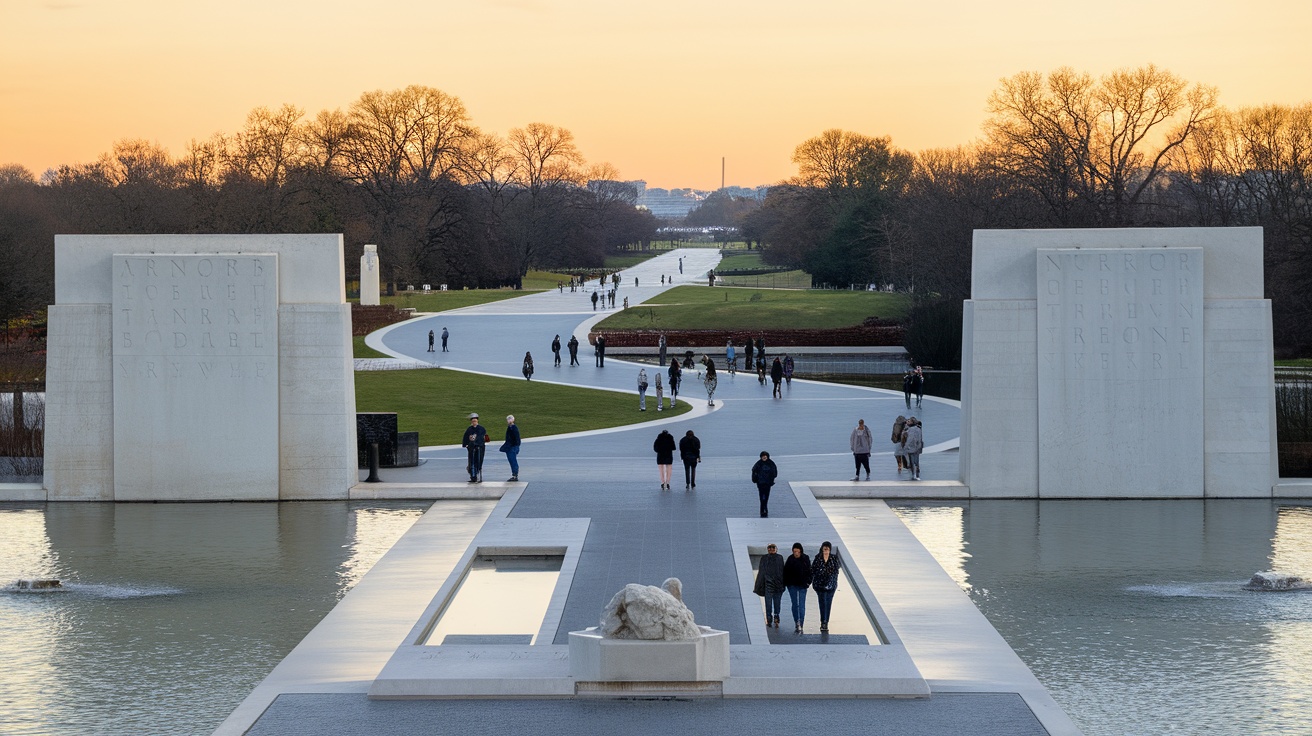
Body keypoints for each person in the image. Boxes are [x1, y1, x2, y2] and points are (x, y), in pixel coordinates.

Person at [753, 543, 785, 629]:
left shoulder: (779, 558)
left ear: (776, 549)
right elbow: (761, 572)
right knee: (769, 603)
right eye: (769, 548)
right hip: (769, 584)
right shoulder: (765, 558)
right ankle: (770, 619)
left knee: (776, 603)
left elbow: (782, 571)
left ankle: (775, 617)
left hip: (777, 584)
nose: (771, 549)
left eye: (772, 548)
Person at [811, 541, 840, 633]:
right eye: (824, 548)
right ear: (822, 549)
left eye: (827, 548)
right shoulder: (818, 558)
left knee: (828, 603)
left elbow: (836, 571)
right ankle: (823, 622)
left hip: (831, 586)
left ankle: (826, 622)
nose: (826, 550)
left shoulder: (834, 558)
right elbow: (814, 570)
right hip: (820, 586)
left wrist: (830, 577)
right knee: (822, 603)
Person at [783, 543, 812, 633]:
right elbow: (785, 572)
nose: (796, 553)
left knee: (802, 604)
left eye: (797, 551)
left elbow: (810, 571)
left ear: (800, 551)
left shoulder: (805, 559)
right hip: (792, 585)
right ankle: (797, 621)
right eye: (794, 551)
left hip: (803, 585)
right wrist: (787, 583)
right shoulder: (790, 559)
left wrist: (808, 582)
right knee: (795, 604)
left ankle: (801, 622)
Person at [461, 413, 488, 483]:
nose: (474, 423)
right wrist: (466, 444)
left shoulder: (481, 429)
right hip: (472, 448)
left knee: (478, 461)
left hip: (479, 448)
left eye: (475, 421)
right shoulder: (469, 429)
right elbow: (466, 437)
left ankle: (477, 474)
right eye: (473, 421)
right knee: (471, 462)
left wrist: (478, 444)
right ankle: (473, 476)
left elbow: (483, 438)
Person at [751, 451, 778, 518]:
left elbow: (774, 473)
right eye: (763, 456)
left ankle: (764, 508)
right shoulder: (758, 464)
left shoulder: (771, 463)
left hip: (767, 483)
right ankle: (763, 509)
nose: (764, 457)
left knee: (766, 496)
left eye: (765, 456)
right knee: (762, 496)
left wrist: (771, 479)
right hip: (760, 483)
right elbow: (754, 471)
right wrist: (755, 480)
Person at [902, 416, 924, 480]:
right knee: (916, 461)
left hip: (911, 447)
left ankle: (913, 474)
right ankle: (917, 474)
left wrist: (906, 446)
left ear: (912, 422)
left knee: (912, 461)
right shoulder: (918, 429)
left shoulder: (911, 429)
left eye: (909, 421)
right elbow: (920, 438)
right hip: (918, 446)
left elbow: (910, 439)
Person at [500, 415, 521, 481]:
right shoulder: (511, 427)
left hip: (512, 447)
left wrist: (514, 446)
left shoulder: (512, 428)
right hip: (512, 447)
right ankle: (515, 474)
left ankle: (515, 475)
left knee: (513, 461)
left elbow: (515, 439)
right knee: (512, 461)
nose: (509, 421)